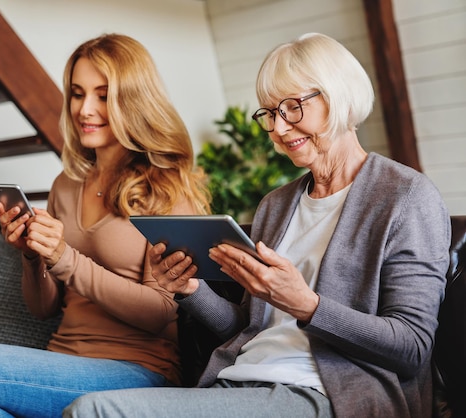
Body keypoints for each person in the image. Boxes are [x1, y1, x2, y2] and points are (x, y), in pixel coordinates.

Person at [63, 32, 451, 418]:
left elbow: (412, 347)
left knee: (93, 410)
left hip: (325, 392)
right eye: (270, 113)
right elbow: (248, 328)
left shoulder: (406, 197)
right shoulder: (277, 205)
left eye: (292, 107)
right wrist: (190, 289)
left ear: (339, 95)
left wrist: (307, 305)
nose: (279, 129)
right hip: (242, 380)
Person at [0, 33, 210, 418]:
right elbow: (43, 308)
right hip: (60, 364)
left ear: (133, 100)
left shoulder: (165, 188)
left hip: (140, 373)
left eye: (102, 95)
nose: (85, 109)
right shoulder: (65, 185)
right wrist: (33, 256)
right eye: (78, 93)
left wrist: (65, 258)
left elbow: (161, 312)